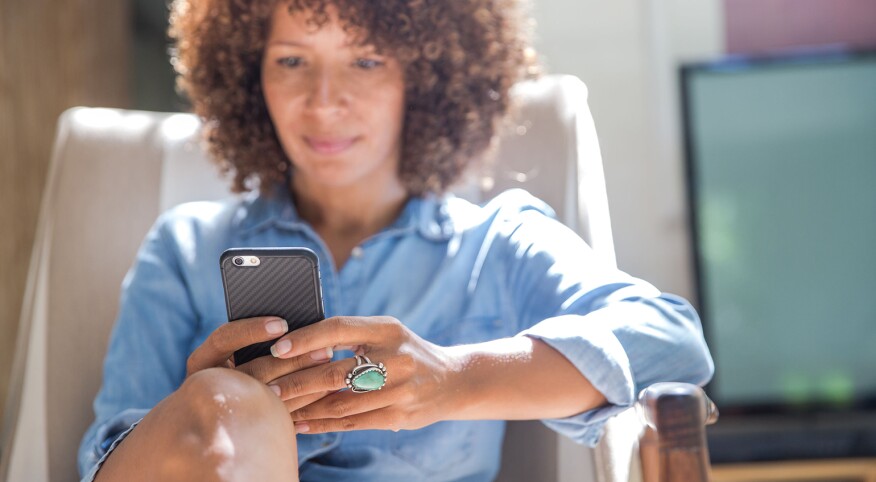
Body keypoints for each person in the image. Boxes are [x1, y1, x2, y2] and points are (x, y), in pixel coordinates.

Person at [78, 0, 714, 480]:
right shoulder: (186, 247)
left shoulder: (496, 244)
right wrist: (200, 419)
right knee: (224, 398)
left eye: (366, 60)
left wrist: (453, 379)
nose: (324, 102)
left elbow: (670, 339)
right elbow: (102, 464)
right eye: (292, 60)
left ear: (426, 75)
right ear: (248, 75)